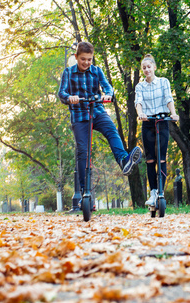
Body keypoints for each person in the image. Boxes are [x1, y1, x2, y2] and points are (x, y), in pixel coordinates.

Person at [58, 42, 142, 197]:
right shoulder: (68, 73)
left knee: (112, 131)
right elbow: (61, 93)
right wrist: (70, 98)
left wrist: (108, 94)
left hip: (97, 111)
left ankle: (124, 161)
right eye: (83, 59)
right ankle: (85, 191)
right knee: (83, 152)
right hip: (79, 115)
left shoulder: (97, 71)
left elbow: (107, 87)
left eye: (89, 59)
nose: (86, 63)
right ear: (76, 57)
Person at [135, 54, 179, 206]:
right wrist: (140, 114)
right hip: (148, 122)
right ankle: (153, 192)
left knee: (161, 158)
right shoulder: (140, 86)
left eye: (149, 67)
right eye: (144, 68)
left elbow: (168, 98)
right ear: (143, 70)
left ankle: (160, 191)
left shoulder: (163, 82)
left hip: (162, 121)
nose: (147, 70)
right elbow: (138, 102)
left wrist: (173, 113)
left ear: (154, 67)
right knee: (150, 159)